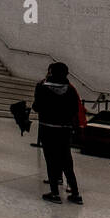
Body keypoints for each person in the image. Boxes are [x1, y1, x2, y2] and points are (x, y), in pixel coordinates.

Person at [33, 62, 83, 204]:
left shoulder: (43, 88)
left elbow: (37, 107)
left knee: (51, 160)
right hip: (64, 130)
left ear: (52, 72)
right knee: (67, 160)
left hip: (47, 128)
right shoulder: (71, 90)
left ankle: (55, 193)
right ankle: (75, 193)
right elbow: (74, 110)